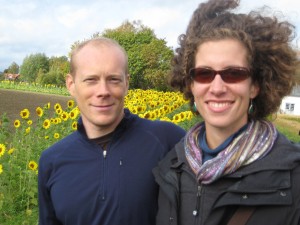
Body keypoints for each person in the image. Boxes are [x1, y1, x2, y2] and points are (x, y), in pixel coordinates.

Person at [153, 0, 300, 224]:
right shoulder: (172, 167)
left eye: (233, 73)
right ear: (191, 84)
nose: (218, 87)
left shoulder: (293, 177)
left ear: (255, 85)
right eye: (204, 73)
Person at [38, 37, 186, 225]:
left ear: (126, 83)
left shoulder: (168, 140)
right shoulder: (52, 161)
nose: (103, 91)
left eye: (114, 79)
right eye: (91, 80)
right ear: (71, 84)